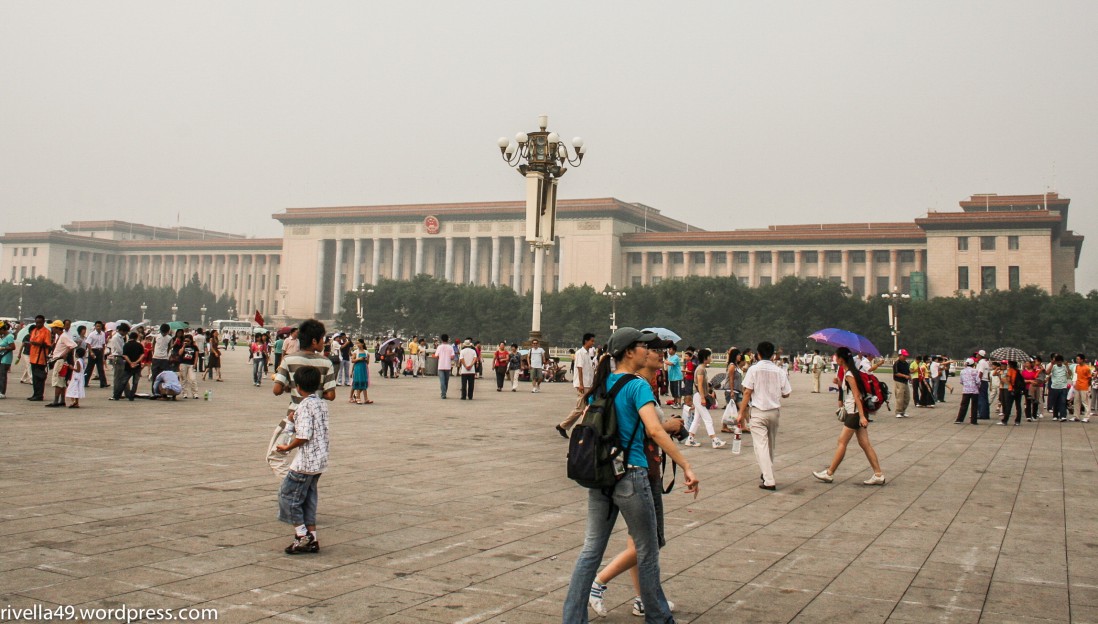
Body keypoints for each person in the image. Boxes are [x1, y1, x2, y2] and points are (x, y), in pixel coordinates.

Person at [563, 328, 698, 623]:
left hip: (601, 476)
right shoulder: (637, 386)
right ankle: (658, 618)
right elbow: (655, 430)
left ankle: (572, 618)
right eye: (641, 346)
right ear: (629, 352)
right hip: (631, 475)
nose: (646, 351)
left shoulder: (602, 384)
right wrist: (686, 465)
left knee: (591, 550)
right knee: (647, 551)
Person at [275, 366, 330, 555]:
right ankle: (312, 537)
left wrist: (287, 447)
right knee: (308, 499)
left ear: (297, 387)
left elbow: (304, 435)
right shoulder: (321, 404)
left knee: (287, 496)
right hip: (319, 461)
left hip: (305, 462)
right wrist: (292, 420)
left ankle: (302, 535)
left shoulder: (304, 406)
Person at [813, 346, 886, 485]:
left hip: (854, 413)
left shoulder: (849, 374)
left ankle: (829, 473)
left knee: (842, 442)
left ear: (841, 359)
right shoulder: (851, 372)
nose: (835, 358)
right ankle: (878, 474)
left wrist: (862, 416)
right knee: (865, 444)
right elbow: (851, 392)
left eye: (836, 356)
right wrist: (839, 383)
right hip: (856, 412)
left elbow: (857, 396)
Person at [737, 341, 791, 491]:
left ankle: (769, 479)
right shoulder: (779, 371)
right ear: (773, 355)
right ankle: (767, 473)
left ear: (758, 354)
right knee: (770, 445)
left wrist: (741, 413)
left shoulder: (753, 370)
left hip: (759, 411)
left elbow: (747, 392)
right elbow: (786, 393)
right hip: (774, 412)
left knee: (761, 446)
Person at [684, 349, 726, 449]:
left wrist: (709, 389)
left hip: (699, 395)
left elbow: (702, 384)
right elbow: (699, 384)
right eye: (710, 356)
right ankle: (715, 440)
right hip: (699, 396)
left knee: (697, 419)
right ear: (705, 358)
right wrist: (703, 398)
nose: (711, 358)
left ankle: (690, 439)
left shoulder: (702, 368)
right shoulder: (700, 369)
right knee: (708, 419)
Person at [45, 320, 76, 408]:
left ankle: (56, 401)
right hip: (59, 359)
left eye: (53, 328)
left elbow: (73, 345)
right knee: (62, 382)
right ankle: (62, 400)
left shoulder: (63, 336)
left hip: (59, 360)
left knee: (58, 381)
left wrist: (64, 353)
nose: (52, 329)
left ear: (57, 328)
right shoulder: (60, 336)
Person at [26, 315, 52, 402]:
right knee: (34, 377)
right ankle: (35, 394)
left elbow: (48, 345)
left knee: (40, 377)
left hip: (40, 358)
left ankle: (39, 395)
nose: (38, 324)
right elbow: (31, 340)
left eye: (40, 322)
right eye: (37, 322)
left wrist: (37, 344)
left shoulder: (46, 332)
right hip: (33, 357)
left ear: (43, 322)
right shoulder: (34, 330)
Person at [954, 358, 981, 424]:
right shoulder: (975, 371)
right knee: (974, 406)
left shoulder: (962, 371)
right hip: (974, 390)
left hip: (966, 390)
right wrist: (978, 386)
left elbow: (961, 381)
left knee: (963, 405)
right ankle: (973, 421)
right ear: (973, 364)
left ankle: (959, 419)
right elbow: (978, 381)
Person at [999, 361, 1025, 426]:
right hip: (1018, 390)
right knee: (1018, 406)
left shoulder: (1010, 370)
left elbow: (1008, 380)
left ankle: (1005, 420)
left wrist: (1004, 379)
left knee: (1008, 405)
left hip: (1011, 389)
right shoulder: (1018, 371)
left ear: (1010, 364)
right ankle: (1017, 421)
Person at [84, 321, 108, 388]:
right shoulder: (92, 334)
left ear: (101, 327)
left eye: (99, 326)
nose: (98, 327)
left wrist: (103, 353)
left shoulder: (103, 334)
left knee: (100, 368)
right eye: (97, 326)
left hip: (100, 351)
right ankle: (84, 382)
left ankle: (103, 383)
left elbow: (103, 344)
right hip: (93, 350)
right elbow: (88, 343)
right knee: (89, 368)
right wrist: (91, 352)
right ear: (95, 326)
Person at [150, 324, 172, 395]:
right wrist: (154, 353)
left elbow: (169, 347)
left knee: (163, 376)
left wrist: (166, 355)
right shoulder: (156, 337)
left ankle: (162, 392)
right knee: (155, 376)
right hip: (156, 358)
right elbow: (153, 346)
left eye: (165, 332)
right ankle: (154, 392)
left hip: (164, 359)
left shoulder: (169, 338)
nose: (164, 334)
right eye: (163, 332)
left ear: (168, 331)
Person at [1047, 354, 1070, 421]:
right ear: (1056, 362)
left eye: (1060, 362)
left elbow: (1070, 374)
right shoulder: (1053, 367)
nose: (1059, 363)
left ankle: (1063, 416)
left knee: (1063, 401)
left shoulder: (1064, 367)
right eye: (1058, 362)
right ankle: (1055, 415)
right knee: (1055, 402)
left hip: (1063, 387)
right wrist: (1052, 364)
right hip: (1055, 387)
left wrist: (1067, 366)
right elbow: (1047, 372)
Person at [177, 334, 200, 399]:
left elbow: (196, 356)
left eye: (188, 341)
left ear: (191, 341)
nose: (186, 342)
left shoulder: (194, 347)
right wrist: (183, 346)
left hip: (191, 364)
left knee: (193, 379)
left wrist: (195, 364)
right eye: (185, 340)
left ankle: (195, 393)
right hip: (183, 363)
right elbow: (180, 353)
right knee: (184, 379)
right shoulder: (182, 346)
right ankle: (184, 393)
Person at [350, 339, 372, 404]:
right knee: (358, 382)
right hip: (357, 368)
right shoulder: (355, 352)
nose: (358, 345)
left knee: (364, 382)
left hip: (364, 368)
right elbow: (352, 361)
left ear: (362, 344)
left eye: (359, 343)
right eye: (357, 343)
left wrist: (366, 359)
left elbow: (367, 362)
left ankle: (366, 399)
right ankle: (358, 398)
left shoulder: (366, 352)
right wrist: (359, 359)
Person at [1071, 354, 1092, 422]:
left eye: (1078, 359)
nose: (1077, 360)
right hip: (1077, 386)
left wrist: (1088, 387)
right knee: (1076, 402)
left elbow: (1089, 378)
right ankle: (1076, 416)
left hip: (1084, 386)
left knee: (1085, 402)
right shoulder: (1077, 366)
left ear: (1082, 360)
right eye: (1076, 359)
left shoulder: (1087, 368)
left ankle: (1086, 417)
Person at [892, 349, 911, 418]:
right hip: (899, 382)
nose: (905, 357)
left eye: (906, 356)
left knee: (907, 397)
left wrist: (910, 377)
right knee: (900, 397)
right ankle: (898, 412)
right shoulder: (897, 363)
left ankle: (903, 411)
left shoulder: (906, 363)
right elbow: (896, 373)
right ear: (899, 355)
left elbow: (908, 372)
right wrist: (904, 376)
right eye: (904, 355)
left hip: (905, 382)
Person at [436, 334, 454, 399]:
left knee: (442, 381)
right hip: (447, 366)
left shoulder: (439, 347)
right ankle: (444, 392)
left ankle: (443, 394)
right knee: (446, 381)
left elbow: (436, 356)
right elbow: (452, 357)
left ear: (441, 339)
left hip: (441, 365)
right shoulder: (450, 347)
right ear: (448, 339)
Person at [0, 323, 14, 399]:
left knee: (3, 376)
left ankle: (2, 392)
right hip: (1, 358)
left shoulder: (9, 336)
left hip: (6, 359)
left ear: (2, 329)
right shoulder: (3, 336)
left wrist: (3, 348)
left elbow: (13, 347)